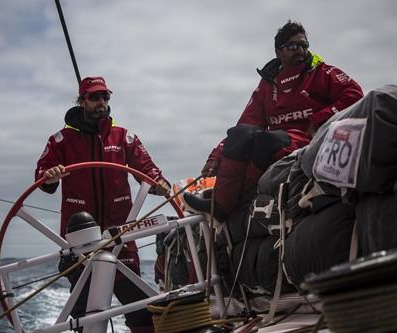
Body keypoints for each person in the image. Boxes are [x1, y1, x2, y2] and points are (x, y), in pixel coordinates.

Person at [184, 20, 364, 224]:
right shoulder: (268, 84)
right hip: (276, 139)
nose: (301, 50)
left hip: (308, 141)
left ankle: (240, 200)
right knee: (241, 134)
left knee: (264, 142)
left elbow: (355, 95)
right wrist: (216, 157)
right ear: (279, 51)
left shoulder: (322, 72)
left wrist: (319, 119)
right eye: (293, 46)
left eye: (304, 45)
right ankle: (222, 205)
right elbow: (245, 124)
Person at [35, 76, 170, 333]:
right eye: (94, 97)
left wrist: (158, 182)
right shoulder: (61, 140)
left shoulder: (123, 137)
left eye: (105, 97)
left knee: (139, 309)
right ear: (82, 101)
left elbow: (147, 170)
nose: (101, 102)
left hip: (121, 234)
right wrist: (50, 174)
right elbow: (43, 178)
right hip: (80, 240)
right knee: (84, 314)